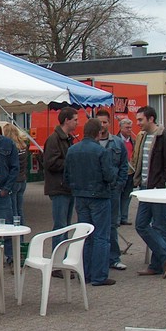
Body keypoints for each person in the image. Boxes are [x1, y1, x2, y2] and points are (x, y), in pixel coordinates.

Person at [64, 118, 116, 286]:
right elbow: (109, 175)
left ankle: (84, 272)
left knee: (85, 235)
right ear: (98, 133)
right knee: (101, 236)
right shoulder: (101, 151)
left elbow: (66, 176)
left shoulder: (72, 150)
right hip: (99, 196)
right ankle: (99, 276)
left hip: (80, 195)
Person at [133, 105, 166, 278]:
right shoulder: (143, 137)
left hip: (158, 189)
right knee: (141, 224)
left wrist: (162, 185)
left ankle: (158, 264)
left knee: (159, 225)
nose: (137, 123)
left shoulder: (164, 137)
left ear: (151, 119)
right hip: (145, 188)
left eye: (140, 119)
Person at [95, 109, 130, 272]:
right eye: (99, 122)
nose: (102, 125)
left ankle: (114, 258)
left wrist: (120, 184)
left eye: (105, 122)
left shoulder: (117, 143)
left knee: (112, 224)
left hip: (113, 190)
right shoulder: (91, 143)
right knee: (94, 225)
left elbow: (124, 165)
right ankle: (97, 259)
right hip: (96, 191)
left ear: (109, 123)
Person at [44, 107, 78, 250]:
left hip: (67, 187)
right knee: (60, 226)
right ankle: (57, 262)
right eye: (75, 120)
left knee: (66, 225)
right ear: (66, 120)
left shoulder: (68, 139)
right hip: (59, 187)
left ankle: (62, 259)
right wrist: (71, 163)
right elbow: (50, 163)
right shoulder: (54, 139)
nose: (77, 123)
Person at [3, 124, 30, 227]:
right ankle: (22, 235)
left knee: (13, 209)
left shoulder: (10, 147)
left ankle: (16, 234)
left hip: (14, 180)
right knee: (20, 209)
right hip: (22, 179)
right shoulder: (23, 146)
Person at [117, 118, 135, 225]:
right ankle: (118, 218)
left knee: (127, 196)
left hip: (131, 172)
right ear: (121, 128)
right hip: (120, 172)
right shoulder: (116, 140)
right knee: (118, 195)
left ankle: (124, 217)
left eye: (130, 127)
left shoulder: (133, 140)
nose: (129, 130)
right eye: (127, 128)